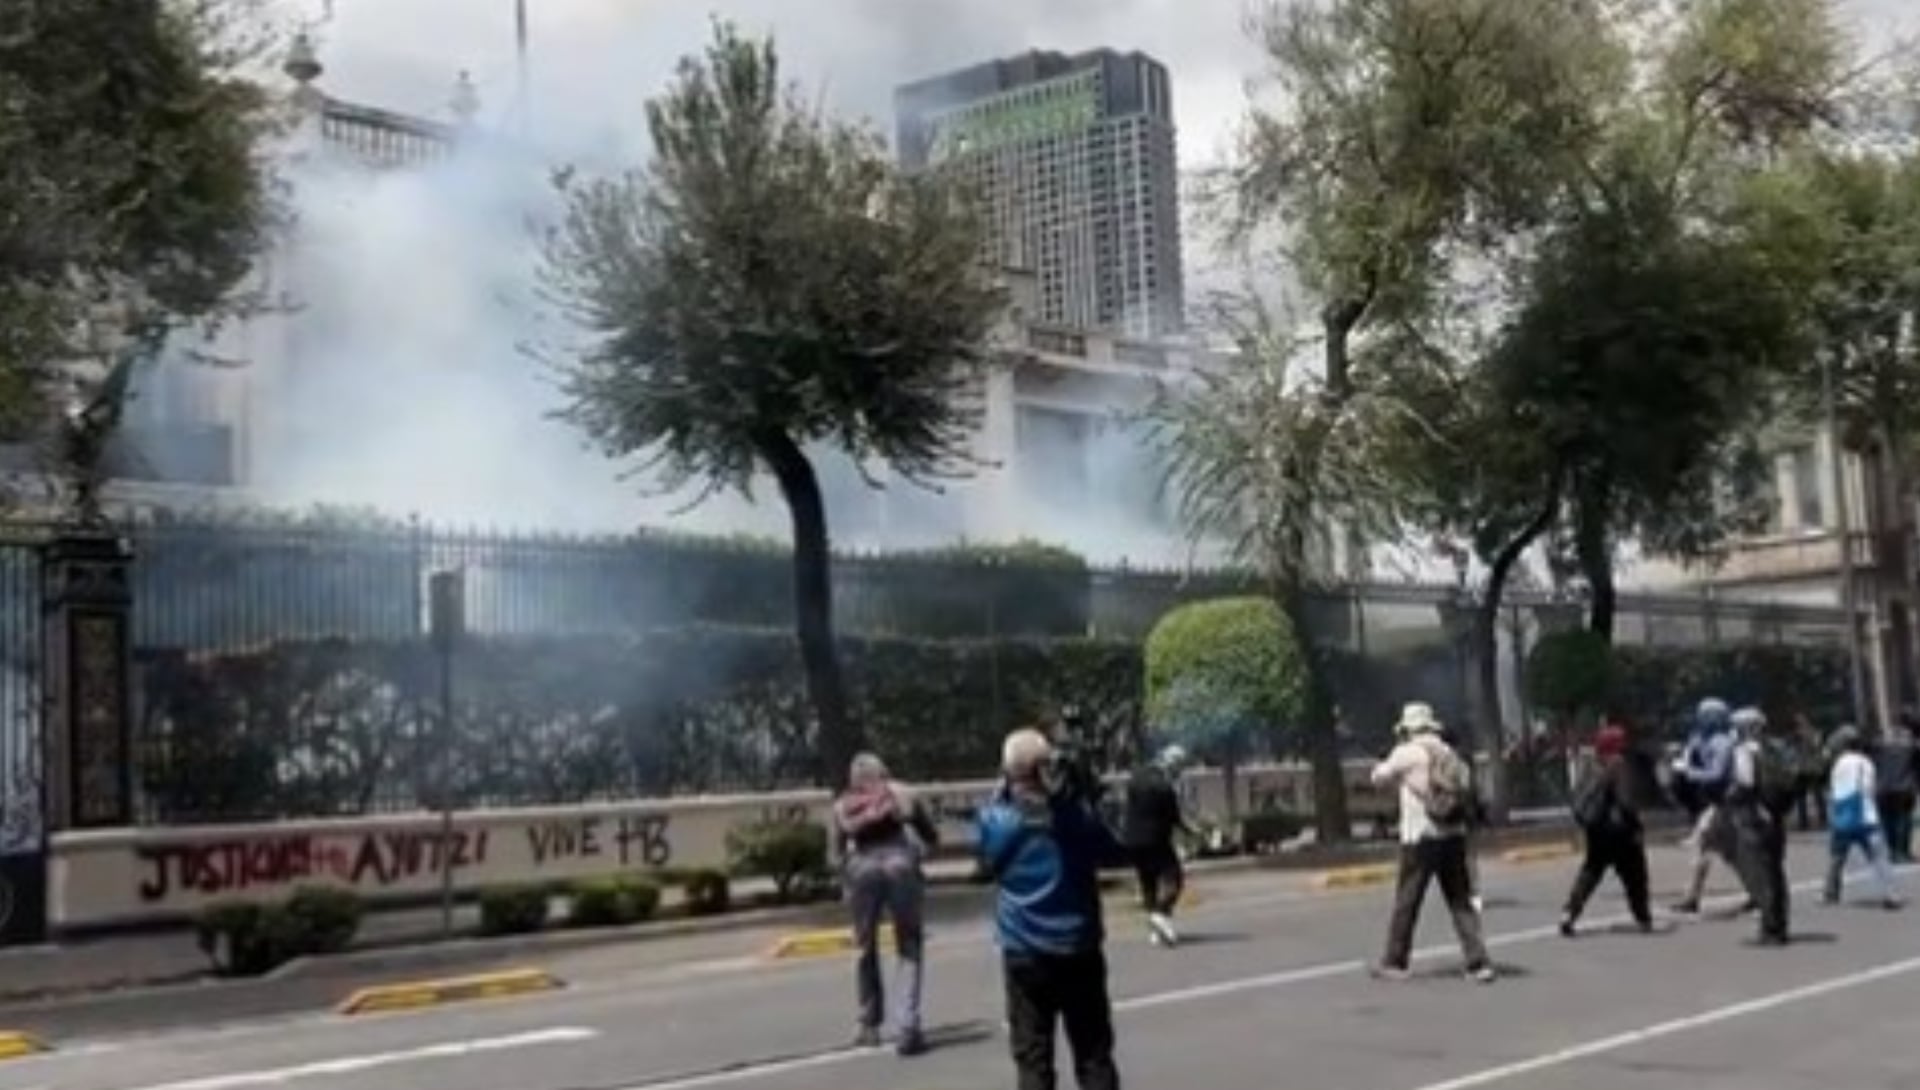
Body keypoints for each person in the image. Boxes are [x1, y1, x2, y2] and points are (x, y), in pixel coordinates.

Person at [978, 728, 1129, 1090]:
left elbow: (988, 859)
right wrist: (1075, 796)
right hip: (1077, 943)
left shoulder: (995, 820)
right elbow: (1113, 849)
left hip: (1024, 948)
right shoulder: (1075, 819)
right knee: (1093, 1053)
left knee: (1033, 1057)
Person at [1369, 702, 1494, 983]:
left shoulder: (1407, 752)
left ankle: (1395, 961)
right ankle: (1478, 963)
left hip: (1420, 837)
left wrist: (1384, 762)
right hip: (1453, 833)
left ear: (1407, 729)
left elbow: (1378, 778)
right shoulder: (1447, 751)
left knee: (1407, 901)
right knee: (1460, 901)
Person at [833, 753, 941, 1055]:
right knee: (908, 945)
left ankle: (869, 1024)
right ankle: (907, 1026)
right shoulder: (905, 794)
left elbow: (836, 852)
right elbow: (931, 836)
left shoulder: (842, 804)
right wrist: (919, 858)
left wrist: (848, 878)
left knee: (864, 947)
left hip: (862, 869)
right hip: (901, 866)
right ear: (885, 772)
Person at [1560, 719, 1653, 936]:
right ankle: (1643, 916)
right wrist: (1637, 826)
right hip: (1620, 831)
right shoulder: (1618, 765)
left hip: (1596, 829)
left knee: (1590, 872)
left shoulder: (1590, 765)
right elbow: (1626, 802)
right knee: (1635, 874)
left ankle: (1569, 913)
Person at [1727, 706, 1794, 945]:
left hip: (1755, 816)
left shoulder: (1745, 751)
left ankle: (1770, 928)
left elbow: (1745, 783)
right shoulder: (1774, 749)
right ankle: (1780, 922)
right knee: (1775, 870)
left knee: (1760, 872)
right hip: (1775, 814)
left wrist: (1731, 796)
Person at [1672, 698, 1744, 916]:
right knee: (1722, 852)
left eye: (1704, 715)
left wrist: (1689, 772)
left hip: (1725, 803)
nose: (1700, 719)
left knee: (1712, 846)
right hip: (1717, 804)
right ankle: (1692, 898)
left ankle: (1692, 898)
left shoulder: (1722, 742)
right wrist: (1690, 752)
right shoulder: (1704, 740)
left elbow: (1717, 774)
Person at [1823, 725, 1903, 910]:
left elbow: (1835, 791)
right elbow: (1870, 787)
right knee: (1879, 857)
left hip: (1844, 816)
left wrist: (1832, 813)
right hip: (1867, 815)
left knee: (1837, 857)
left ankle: (1830, 892)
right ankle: (1890, 893)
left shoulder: (1839, 763)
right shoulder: (1866, 762)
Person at [1122, 744, 1192, 948]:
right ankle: (1161, 914)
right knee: (1174, 879)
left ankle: (1156, 929)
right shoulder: (1164, 787)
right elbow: (1175, 818)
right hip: (1156, 840)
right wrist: (1192, 831)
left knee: (1148, 882)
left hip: (1131, 840)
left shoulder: (1136, 778)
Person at [1874, 714, 1918, 863]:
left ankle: (1892, 851)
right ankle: (1902, 851)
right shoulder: (1911, 743)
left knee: (1888, 820)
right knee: (1903, 820)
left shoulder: (1881, 741)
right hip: (1904, 786)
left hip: (1882, 787)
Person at [1793, 713, 1828, 832]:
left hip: (1811, 768)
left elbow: (1816, 746)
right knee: (1802, 797)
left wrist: (1808, 737)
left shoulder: (1814, 733)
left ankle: (1822, 819)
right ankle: (1804, 821)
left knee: (1817, 795)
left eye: (1801, 721)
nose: (1799, 724)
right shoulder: (1796, 735)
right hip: (1803, 768)